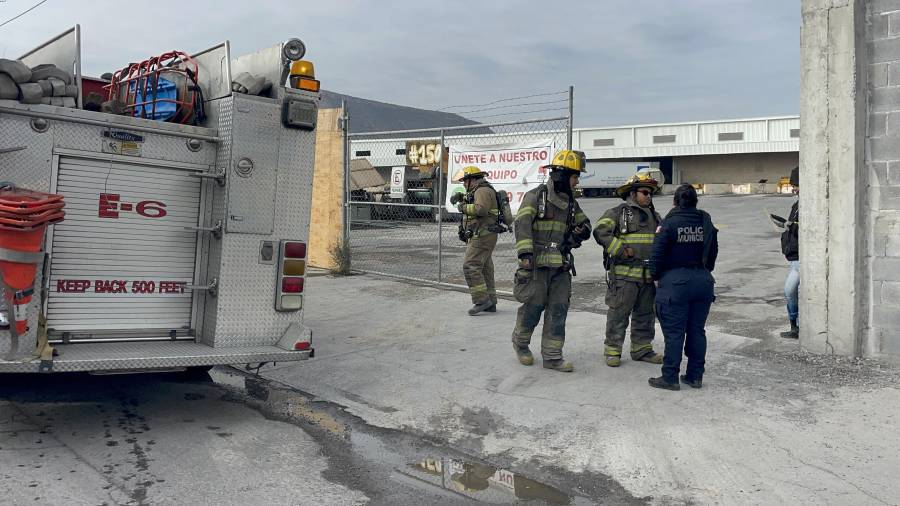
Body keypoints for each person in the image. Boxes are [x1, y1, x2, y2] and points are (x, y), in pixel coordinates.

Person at [511, 150, 591, 372]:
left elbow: (586, 225)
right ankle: (521, 344)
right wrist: (525, 255)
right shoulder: (536, 196)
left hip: (561, 265)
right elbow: (522, 224)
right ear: (563, 176)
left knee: (558, 309)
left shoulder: (572, 203)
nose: (576, 182)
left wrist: (581, 231)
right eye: (575, 177)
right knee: (533, 308)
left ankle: (553, 356)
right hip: (536, 266)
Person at [648, 184, 718, 391]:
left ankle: (670, 377)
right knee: (697, 330)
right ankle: (695, 376)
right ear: (696, 201)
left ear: (675, 202)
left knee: (675, 333)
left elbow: (656, 256)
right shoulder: (705, 220)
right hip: (703, 281)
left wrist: (658, 277)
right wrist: (703, 271)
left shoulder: (669, 223)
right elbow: (713, 251)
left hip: (676, 282)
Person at [593, 171, 664, 367]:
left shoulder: (655, 217)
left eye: (650, 193)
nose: (648, 196)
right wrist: (620, 249)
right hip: (624, 278)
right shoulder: (617, 213)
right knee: (618, 314)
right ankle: (612, 351)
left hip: (648, 277)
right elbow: (600, 231)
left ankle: (642, 349)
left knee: (645, 315)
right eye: (644, 192)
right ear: (633, 193)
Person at [450, 166, 500, 315]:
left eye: (465, 181)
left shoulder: (482, 191)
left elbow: (481, 209)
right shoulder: (479, 190)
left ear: (473, 180)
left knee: (470, 265)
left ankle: (481, 300)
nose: (464, 184)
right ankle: (491, 302)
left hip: (482, 236)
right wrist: (461, 197)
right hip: (484, 235)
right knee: (485, 268)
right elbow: (475, 202)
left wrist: (463, 207)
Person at [780, 167, 800, 339]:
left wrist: (791, 226)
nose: (793, 188)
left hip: (801, 258)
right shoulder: (797, 205)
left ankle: (797, 325)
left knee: (790, 290)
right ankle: (795, 326)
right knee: (790, 291)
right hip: (794, 258)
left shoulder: (805, 205)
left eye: (795, 185)